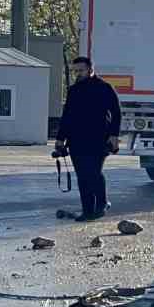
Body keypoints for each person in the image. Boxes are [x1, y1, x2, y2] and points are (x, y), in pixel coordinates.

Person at [54, 56, 122, 221]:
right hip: (76, 140)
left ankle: (102, 203)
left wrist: (114, 135)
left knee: (94, 172)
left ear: (91, 69)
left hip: (100, 139)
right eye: (75, 71)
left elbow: (116, 113)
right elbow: (67, 116)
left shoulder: (104, 88)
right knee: (82, 176)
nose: (78, 73)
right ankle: (87, 211)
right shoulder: (73, 90)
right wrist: (60, 139)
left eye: (81, 70)